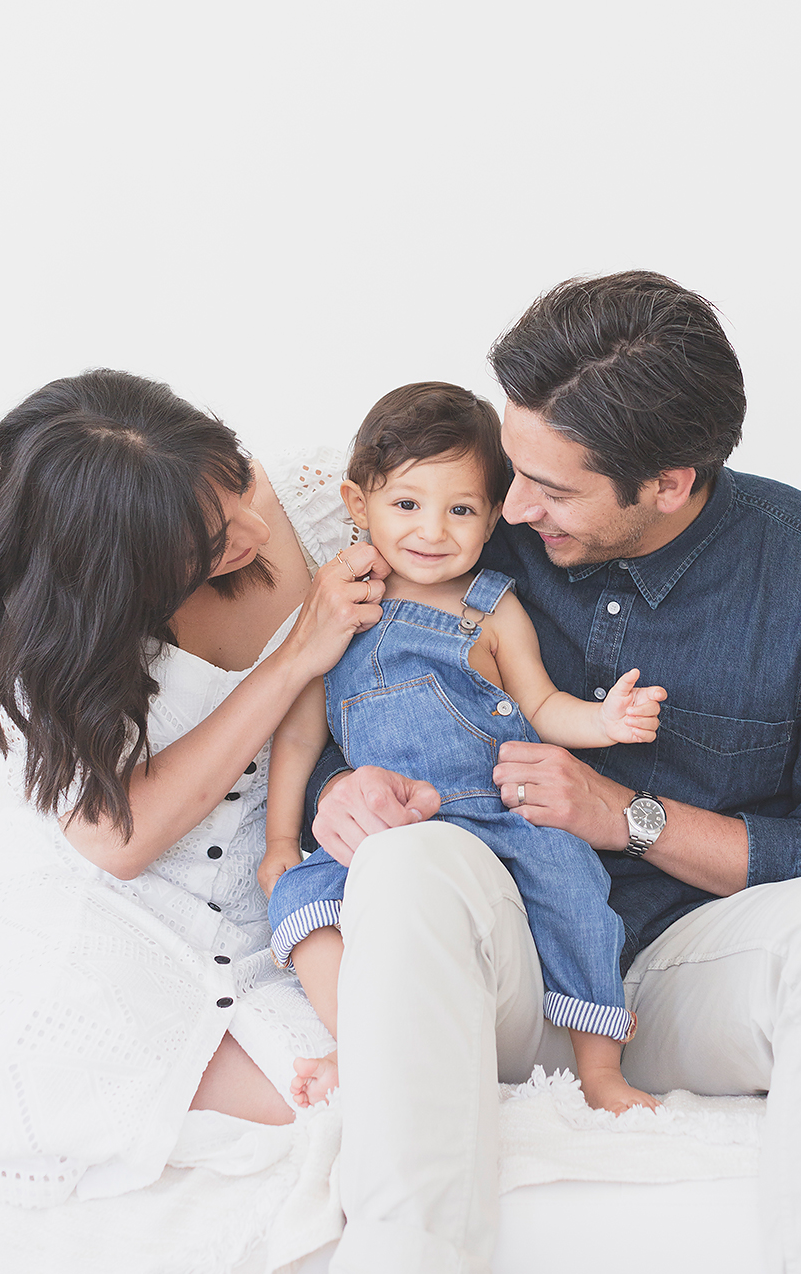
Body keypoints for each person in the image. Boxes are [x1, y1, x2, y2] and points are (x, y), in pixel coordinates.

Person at [306, 273, 801, 1274]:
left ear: (667, 481)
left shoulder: (784, 568)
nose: (511, 509)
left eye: (553, 489)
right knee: (403, 865)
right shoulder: (453, 521)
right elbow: (339, 710)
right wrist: (340, 797)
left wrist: (631, 818)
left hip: (678, 964)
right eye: (512, 469)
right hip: (487, 964)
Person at [0, 369, 388, 1209]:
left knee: (365, 1097)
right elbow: (118, 842)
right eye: (213, 539)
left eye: (240, 482)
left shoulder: (324, 500)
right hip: (117, 909)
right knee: (49, 1094)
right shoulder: (60, 632)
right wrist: (299, 652)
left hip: (281, 907)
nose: (255, 529)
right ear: (128, 575)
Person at [260, 382, 665, 1115]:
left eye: (461, 509)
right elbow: (299, 731)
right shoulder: (342, 607)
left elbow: (540, 704)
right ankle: (363, 1038)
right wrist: (280, 837)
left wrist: (605, 721)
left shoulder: (493, 605)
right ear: (359, 506)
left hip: (503, 810)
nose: (433, 530)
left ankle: (600, 1068)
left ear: (493, 517)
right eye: (407, 504)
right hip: (389, 829)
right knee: (301, 899)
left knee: (577, 895)